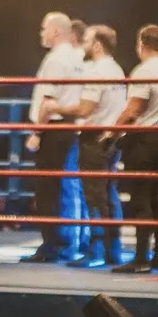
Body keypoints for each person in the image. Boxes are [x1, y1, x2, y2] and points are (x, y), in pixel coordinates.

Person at [51, 26, 130, 269]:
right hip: (111, 137)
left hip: (95, 137)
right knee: (109, 193)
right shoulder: (116, 69)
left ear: (97, 45)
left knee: (95, 196)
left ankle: (96, 250)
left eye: (86, 40)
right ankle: (113, 249)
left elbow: (85, 109)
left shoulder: (97, 71)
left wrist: (55, 108)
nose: (83, 45)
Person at [113, 26, 158, 273]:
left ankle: (141, 258)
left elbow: (133, 110)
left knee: (141, 199)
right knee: (153, 198)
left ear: (142, 43)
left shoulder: (145, 70)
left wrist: (111, 134)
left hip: (143, 139)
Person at [25, 11, 84, 263]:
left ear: (56, 31)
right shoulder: (76, 57)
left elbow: (48, 102)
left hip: (54, 128)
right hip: (69, 127)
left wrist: (37, 132)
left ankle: (52, 245)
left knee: (48, 189)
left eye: (44, 28)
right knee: (62, 188)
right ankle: (64, 243)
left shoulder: (56, 59)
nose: (41, 33)